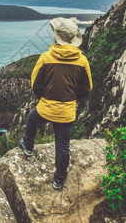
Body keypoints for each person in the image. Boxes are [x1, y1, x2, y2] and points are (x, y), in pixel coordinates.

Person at [19, 17, 93, 190]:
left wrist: (43, 98)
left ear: (57, 36)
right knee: (63, 145)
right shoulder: (82, 61)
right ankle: (59, 179)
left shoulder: (46, 58)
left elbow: (35, 84)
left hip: (46, 107)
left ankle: (28, 146)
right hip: (67, 111)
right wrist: (72, 98)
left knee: (32, 119)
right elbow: (87, 88)